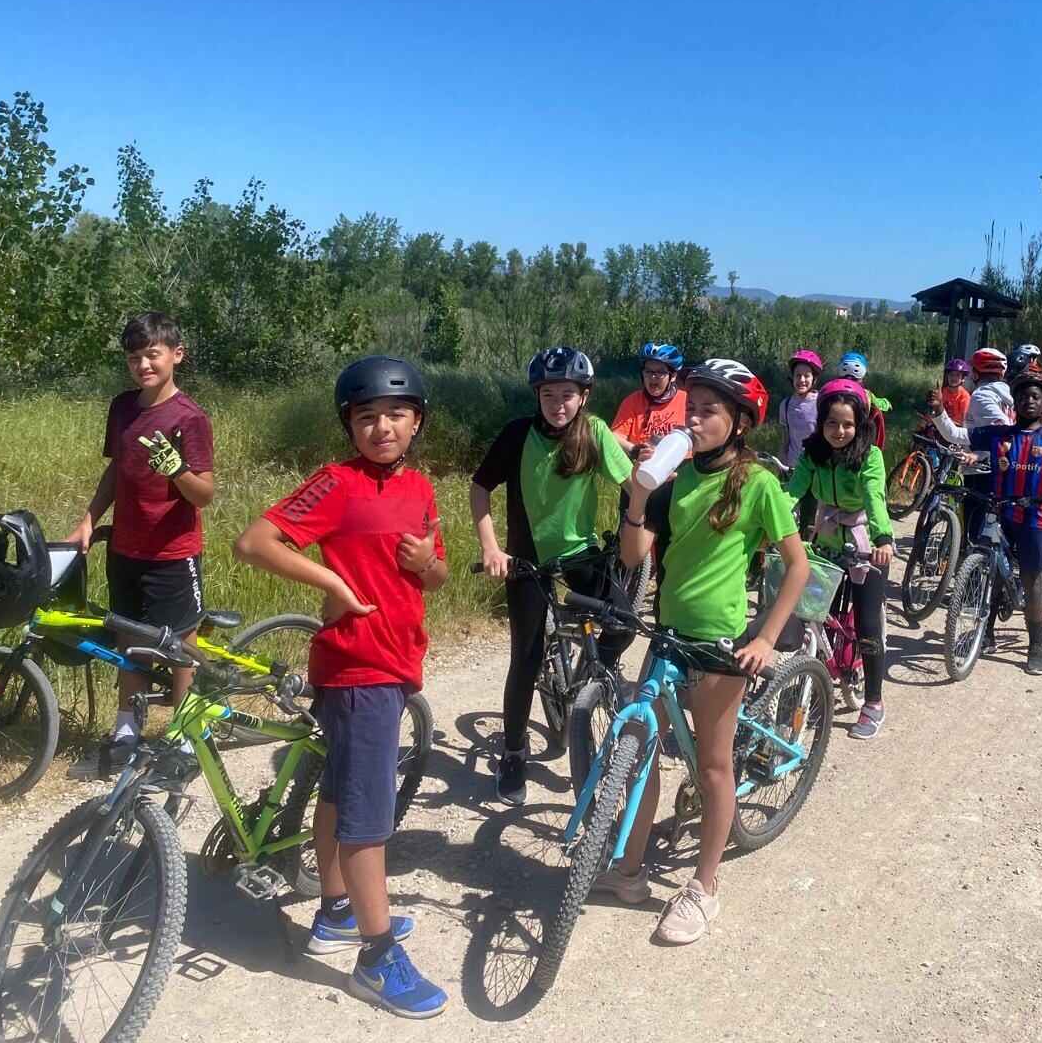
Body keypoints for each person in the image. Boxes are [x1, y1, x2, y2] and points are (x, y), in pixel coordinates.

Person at [233, 356, 446, 1017]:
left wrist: (426, 565)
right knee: (366, 815)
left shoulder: (420, 488)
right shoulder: (334, 483)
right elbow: (254, 542)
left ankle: (336, 913)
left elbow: (434, 576)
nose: (381, 426)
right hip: (358, 667)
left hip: (397, 660)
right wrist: (331, 584)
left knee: (339, 791)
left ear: (416, 422)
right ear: (350, 425)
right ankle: (378, 961)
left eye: (395, 414)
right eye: (366, 417)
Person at [599, 359, 807, 944]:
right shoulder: (678, 475)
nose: (693, 418)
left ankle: (704, 887)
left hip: (717, 643)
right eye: (691, 408)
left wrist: (765, 638)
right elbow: (636, 556)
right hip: (666, 634)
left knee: (714, 767)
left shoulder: (759, 483)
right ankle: (630, 871)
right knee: (637, 754)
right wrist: (638, 498)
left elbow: (798, 567)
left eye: (708, 411)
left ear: (740, 421)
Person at [470, 346, 633, 805]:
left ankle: (590, 672)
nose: (557, 404)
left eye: (567, 394)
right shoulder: (518, 434)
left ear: (584, 396)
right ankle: (514, 753)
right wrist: (491, 547)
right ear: (536, 395)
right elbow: (480, 487)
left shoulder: (594, 432)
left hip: (581, 554)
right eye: (548, 394)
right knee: (524, 659)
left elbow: (633, 485)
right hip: (526, 561)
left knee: (623, 622)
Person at [64, 312, 215, 780]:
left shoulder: (190, 418)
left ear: (176, 355)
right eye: (134, 357)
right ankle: (126, 730)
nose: (144, 365)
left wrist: (178, 471)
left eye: (153, 354)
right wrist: (89, 520)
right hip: (125, 547)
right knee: (129, 640)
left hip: (173, 551)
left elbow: (204, 494)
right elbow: (116, 470)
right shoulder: (123, 407)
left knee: (178, 645)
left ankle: (189, 734)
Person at [932, 368, 1042, 675]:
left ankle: (1035, 646)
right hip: (1001, 512)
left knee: (1031, 578)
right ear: (1015, 403)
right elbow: (957, 435)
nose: (1028, 401)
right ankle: (988, 630)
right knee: (992, 569)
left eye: (1035, 396)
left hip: (1034, 517)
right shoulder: (999, 433)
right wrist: (939, 413)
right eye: (1022, 396)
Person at [786, 378, 894, 739]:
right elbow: (791, 495)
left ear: (860, 423)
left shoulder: (870, 455)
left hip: (866, 542)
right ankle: (815, 679)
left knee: (867, 626)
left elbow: (874, 497)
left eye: (848, 424)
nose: (839, 431)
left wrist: (883, 538)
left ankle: (874, 702)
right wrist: (767, 527)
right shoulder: (811, 452)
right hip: (827, 538)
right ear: (821, 422)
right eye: (832, 422)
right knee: (812, 615)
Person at [610, 342, 688, 462]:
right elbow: (616, 436)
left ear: (673, 376)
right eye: (648, 371)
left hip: (680, 468)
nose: (653, 376)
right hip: (643, 467)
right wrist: (636, 450)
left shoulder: (686, 401)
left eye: (660, 372)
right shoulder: (632, 401)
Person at [778, 349, 823, 468]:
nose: (802, 380)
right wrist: (783, 454)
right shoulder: (785, 405)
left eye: (807, 376)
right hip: (793, 466)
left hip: (816, 466)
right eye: (798, 375)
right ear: (792, 377)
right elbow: (789, 435)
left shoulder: (821, 402)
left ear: (814, 379)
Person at [837, 351, 889, 447]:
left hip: (835, 434)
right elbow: (879, 404)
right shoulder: (867, 394)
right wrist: (887, 403)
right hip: (859, 438)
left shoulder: (832, 389)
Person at [938, 358, 971, 426]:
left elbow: (964, 420)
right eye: (951, 374)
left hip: (955, 429)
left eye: (957, 375)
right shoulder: (943, 391)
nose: (953, 378)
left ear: (963, 378)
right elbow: (936, 411)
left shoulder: (964, 396)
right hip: (941, 425)